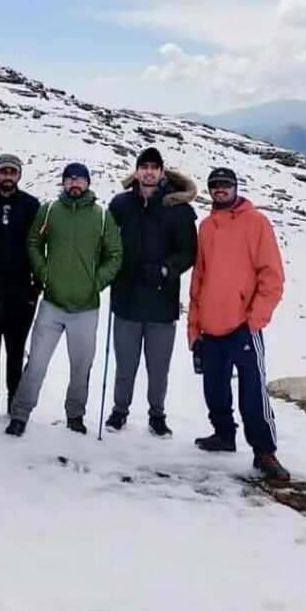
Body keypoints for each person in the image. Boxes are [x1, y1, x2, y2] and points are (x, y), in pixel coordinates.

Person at [188, 167, 290, 482]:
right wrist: (194, 327)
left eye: (225, 185)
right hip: (211, 325)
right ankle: (223, 435)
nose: (220, 190)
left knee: (253, 392)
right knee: (214, 388)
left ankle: (264, 451)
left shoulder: (256, 223)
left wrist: (254, 320)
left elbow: (272, 277)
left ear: (235, 188)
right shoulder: (205, 227)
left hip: (244, 326)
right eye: (215, 186)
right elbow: (199, 279)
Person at [6, 163, 123, 437]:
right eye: (70, 179)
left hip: (86, 307)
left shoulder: (102, 216)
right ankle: (20, 414)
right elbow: (34, 242)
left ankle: (75, 414)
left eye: (80, 179)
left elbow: (115, 254)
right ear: (63, 182)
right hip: (52, 304)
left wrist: (97, 282)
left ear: (88, 183)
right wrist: (44, 273)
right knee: (36, 362)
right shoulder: (49, 211)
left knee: (81, 366)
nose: (75, 184)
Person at [105, 147, 198, 437]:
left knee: (158, 368)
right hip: (127, 299)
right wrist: (111, 269)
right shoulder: (120, 205)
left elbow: (188, 252)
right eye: (143, 166)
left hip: (161, 300)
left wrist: (165, 269)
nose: (148, 172)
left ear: (161, 172)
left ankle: (157, 415)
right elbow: (106, 242)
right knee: (126, 365)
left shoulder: (178, 208)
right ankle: (120, 411)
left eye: (153, 167)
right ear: (136, 171)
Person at [0, 153, 40, 422]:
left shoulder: (31, 205)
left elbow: (40, 247)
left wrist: (35, 287)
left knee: (15, 350)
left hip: (20, 292)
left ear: (19, 175)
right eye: (3, 171)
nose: (7, 176)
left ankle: (14, 398)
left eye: (12, 172)